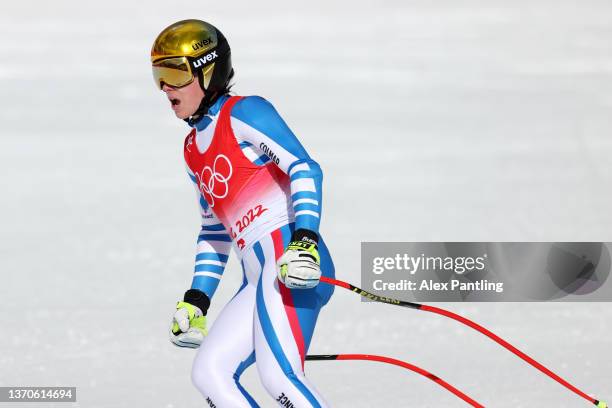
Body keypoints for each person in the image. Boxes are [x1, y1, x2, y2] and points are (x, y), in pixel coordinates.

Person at [150, 19, 335, 407]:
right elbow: (215, 232)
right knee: (210, 372)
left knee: (279, 376)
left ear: (208, 70)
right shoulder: (191, 150)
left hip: (289, 259)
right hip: (256, 277)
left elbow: (304, 168)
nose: (165, 87)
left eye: (174, 73)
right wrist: (197, 299)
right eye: (158, 75)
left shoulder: (244, 112)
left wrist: (304, 243)